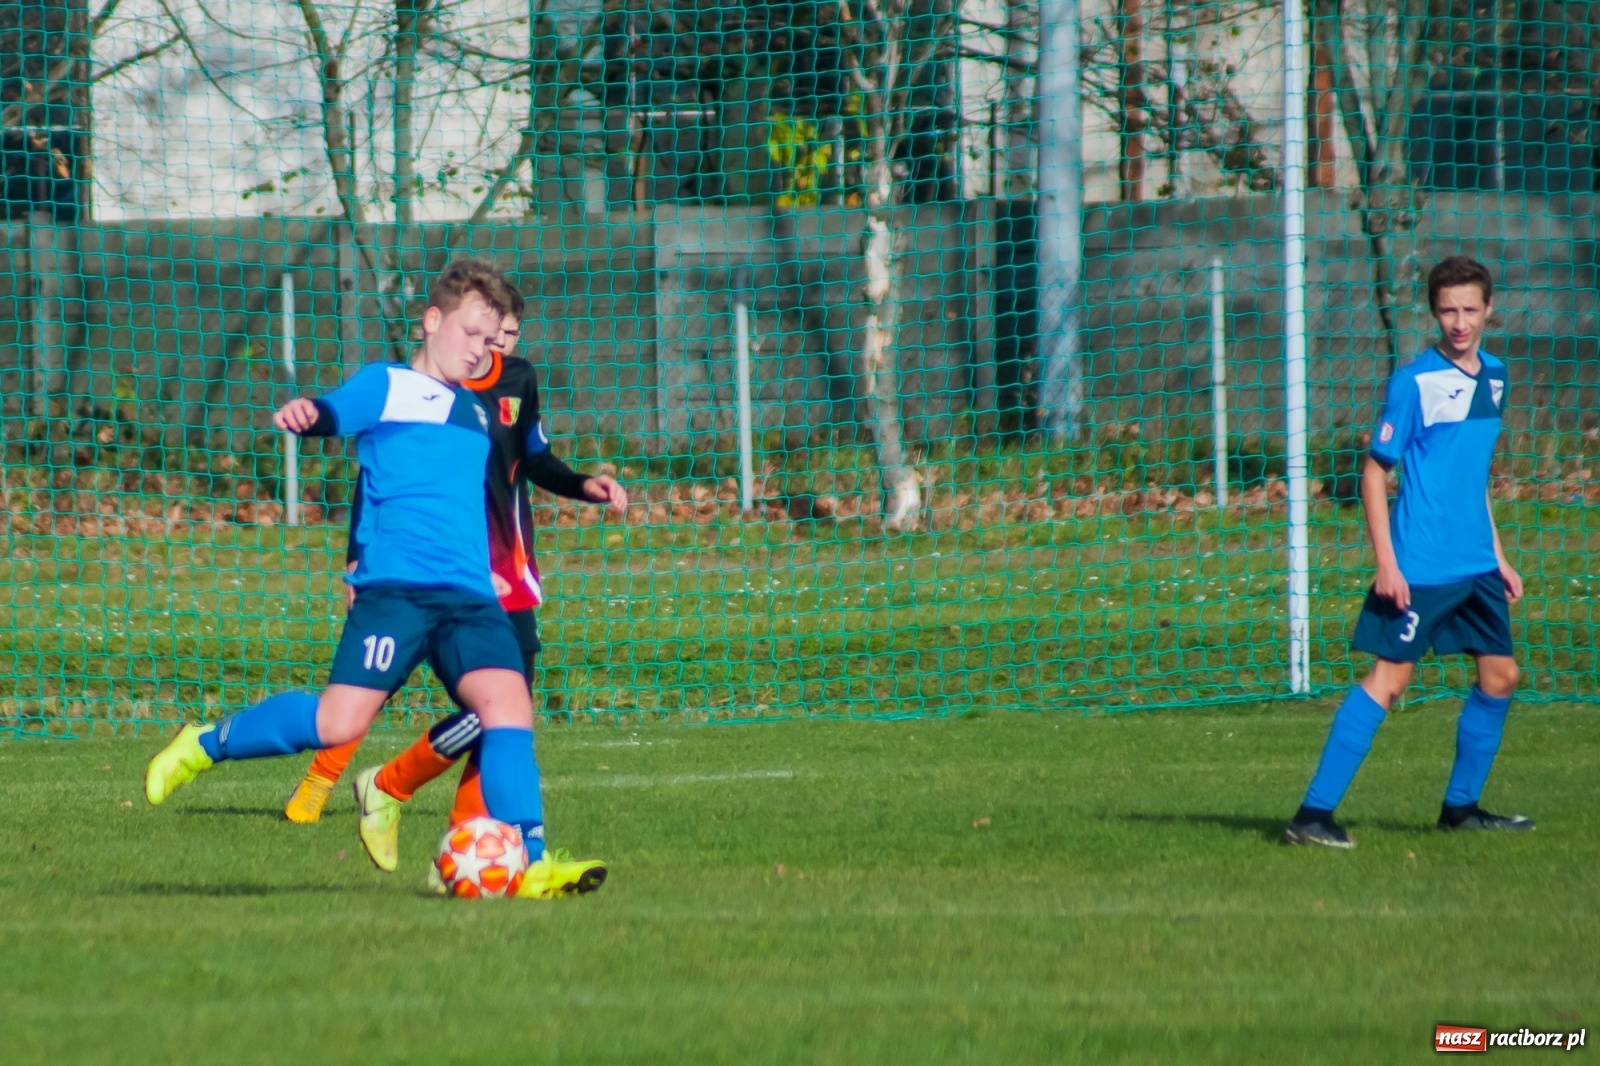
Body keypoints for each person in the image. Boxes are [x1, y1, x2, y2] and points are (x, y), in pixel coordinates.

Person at [144, 258, 606, 899]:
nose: (481, 349)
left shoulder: (476, 413)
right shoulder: (389, 384)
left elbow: (469, 499)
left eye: (490, 338)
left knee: (508, 709)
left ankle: (532, 861)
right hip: (397, 593)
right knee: (336, 724)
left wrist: (492, 566)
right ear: (432, 320)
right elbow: (335, 410)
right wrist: (309, 413)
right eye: (471, 333)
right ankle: (204, 743)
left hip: (471, 598)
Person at [282, 290, 627, 876]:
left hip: (502, 568)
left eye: (507, 336)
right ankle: (328, 777)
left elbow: (535, 458)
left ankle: (471, 836)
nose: (496, 346)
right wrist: (358, 558)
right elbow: (379, 475)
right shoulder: (428, 382)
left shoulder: (518, 380)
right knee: (370, 690)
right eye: (490, 333)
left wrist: (582, 484)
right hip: (420, 564)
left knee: (503, 710)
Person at [1284, 256, 1532, 850]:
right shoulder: (1414, 382)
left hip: (1476, 564)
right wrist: (1387, 563)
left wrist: (1497, 555)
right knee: (1389, 681)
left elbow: (1470, 475)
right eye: (1448, 311)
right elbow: (1374, 474)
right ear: (1433, 313)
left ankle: (1461, 810)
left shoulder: (1496, 376)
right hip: (1421, 565)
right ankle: (1312, 816)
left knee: (1501, 676)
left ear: (1489, 309)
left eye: (1470, 309)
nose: (1460, 322)